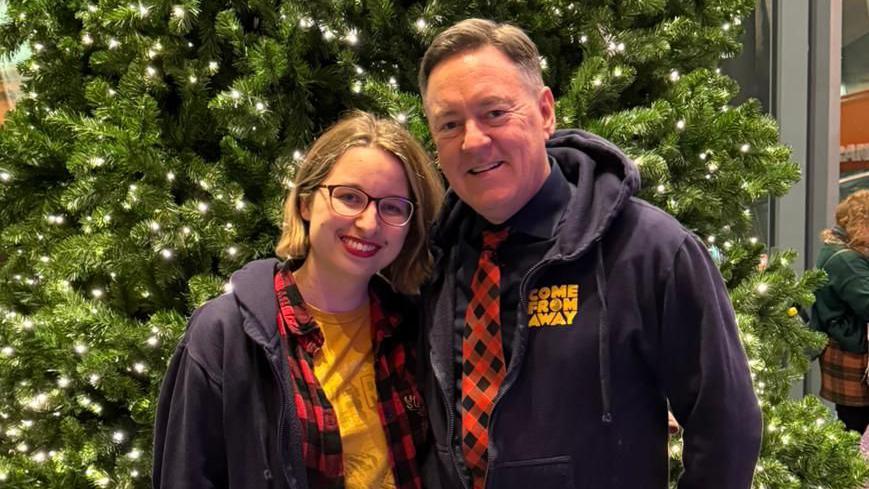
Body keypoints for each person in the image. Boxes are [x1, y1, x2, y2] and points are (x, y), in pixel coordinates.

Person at [417, 19, 762, 489]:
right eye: (449, 124)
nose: (473, 141)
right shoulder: (431, 260)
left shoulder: (651, 250)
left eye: (495, 112)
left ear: (544, 113)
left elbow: (727, 428)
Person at [152, 111, 444, 489]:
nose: (369, 223)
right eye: (350, 197)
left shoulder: (413, 327)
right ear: (306, 202)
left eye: (391, 207)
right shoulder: (225, 334)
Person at [811, 189, 869, 433]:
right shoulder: (847, 260)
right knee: (852, 429)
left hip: (845, 349)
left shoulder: (837, 249)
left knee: (850, 426)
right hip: (854, 357)